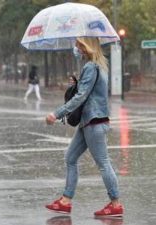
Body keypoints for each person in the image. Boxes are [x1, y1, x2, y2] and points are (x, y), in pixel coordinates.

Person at [45, 37, 124, 217]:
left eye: (78, 45)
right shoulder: (99, 66)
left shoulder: (91, 67)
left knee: (103, 163)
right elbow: (91, 92)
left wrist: (56, 114)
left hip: (94, 122)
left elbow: (82, 97)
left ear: (86, 46)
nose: (75, 48)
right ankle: (66, 201)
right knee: (70, 157)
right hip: (88, 121)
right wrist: (78, 83)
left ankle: (116, 203)